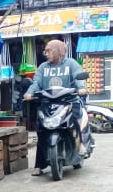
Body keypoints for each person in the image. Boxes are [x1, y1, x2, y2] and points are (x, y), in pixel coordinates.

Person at [24, 40, 87, 174]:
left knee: (75, 120)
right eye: (45, 51)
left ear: (58, 51)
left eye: (49, 50)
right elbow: (36, 83)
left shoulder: (71, 64)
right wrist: (29, 92)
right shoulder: (43, 67)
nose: (45, 53)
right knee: (41, 131)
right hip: (48, 103)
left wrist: (81, 88)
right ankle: (39, 166)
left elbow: (78, 78)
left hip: (69, 101)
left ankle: (80, 145)